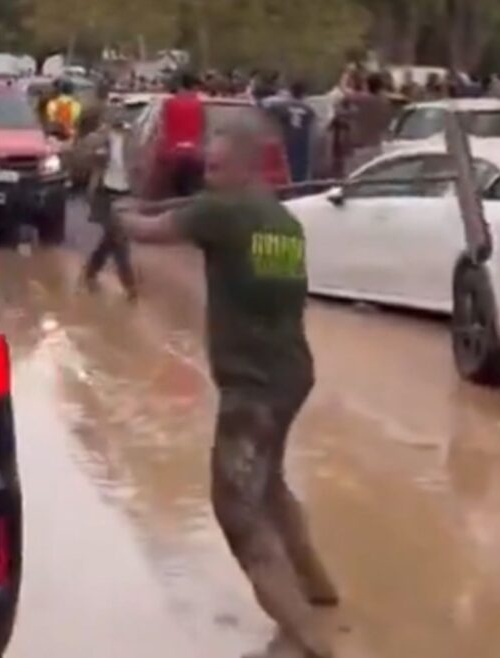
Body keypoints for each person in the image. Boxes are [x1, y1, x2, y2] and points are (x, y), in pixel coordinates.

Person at [114, 125, 340, 658]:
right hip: (290, 373)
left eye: (214, 169)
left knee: (235, 506)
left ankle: (305, 638)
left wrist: (118, 213)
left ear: (244, 168)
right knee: (270, 484)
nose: (206, 178)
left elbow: (149, 231)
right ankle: (318, 588)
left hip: (252, 387)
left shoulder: (222, 212)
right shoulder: (282, 221)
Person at [81, 108, 138, 298]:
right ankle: (129, 284)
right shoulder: (101, 138)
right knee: (118, 239)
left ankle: (91, 271)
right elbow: (85, 153)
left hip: (126, 193)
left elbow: (139, 166)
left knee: (112, 238)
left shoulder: (134, 139)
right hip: (104, 192)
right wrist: (99, 146)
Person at [161, 71, 206, 198]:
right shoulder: (198, 105)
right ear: (193, 87)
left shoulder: (169, 104)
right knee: (191, 192)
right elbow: (202, 129)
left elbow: (164, 128)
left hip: (173, 154)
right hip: (193, 154)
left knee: (177, 192)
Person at [266, 81, 317, 183]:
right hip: (302, 141)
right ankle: (300, 187)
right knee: (301, 168)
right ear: (303, 94)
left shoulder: (281, 106)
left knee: (286, 166)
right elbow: (312, 124)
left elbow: (266, 109)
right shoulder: (308, 109)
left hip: (287, 139)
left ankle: (289, 186)